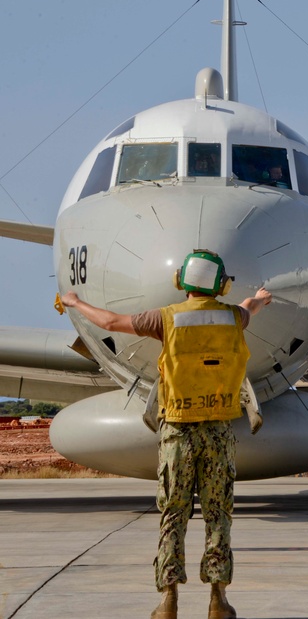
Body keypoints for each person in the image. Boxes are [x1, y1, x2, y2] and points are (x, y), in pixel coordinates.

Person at [62, 249, 272, 619]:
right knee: (218, 513)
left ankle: (169, 600)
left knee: (173, 514)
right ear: (221, 285)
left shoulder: (166, 319)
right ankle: (218, 601)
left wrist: (75, 302)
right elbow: (249, 308)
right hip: (219, 430)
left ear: (181, 282)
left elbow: (110, 321)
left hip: (177, 430)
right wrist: (259, 299)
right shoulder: (233, 317)